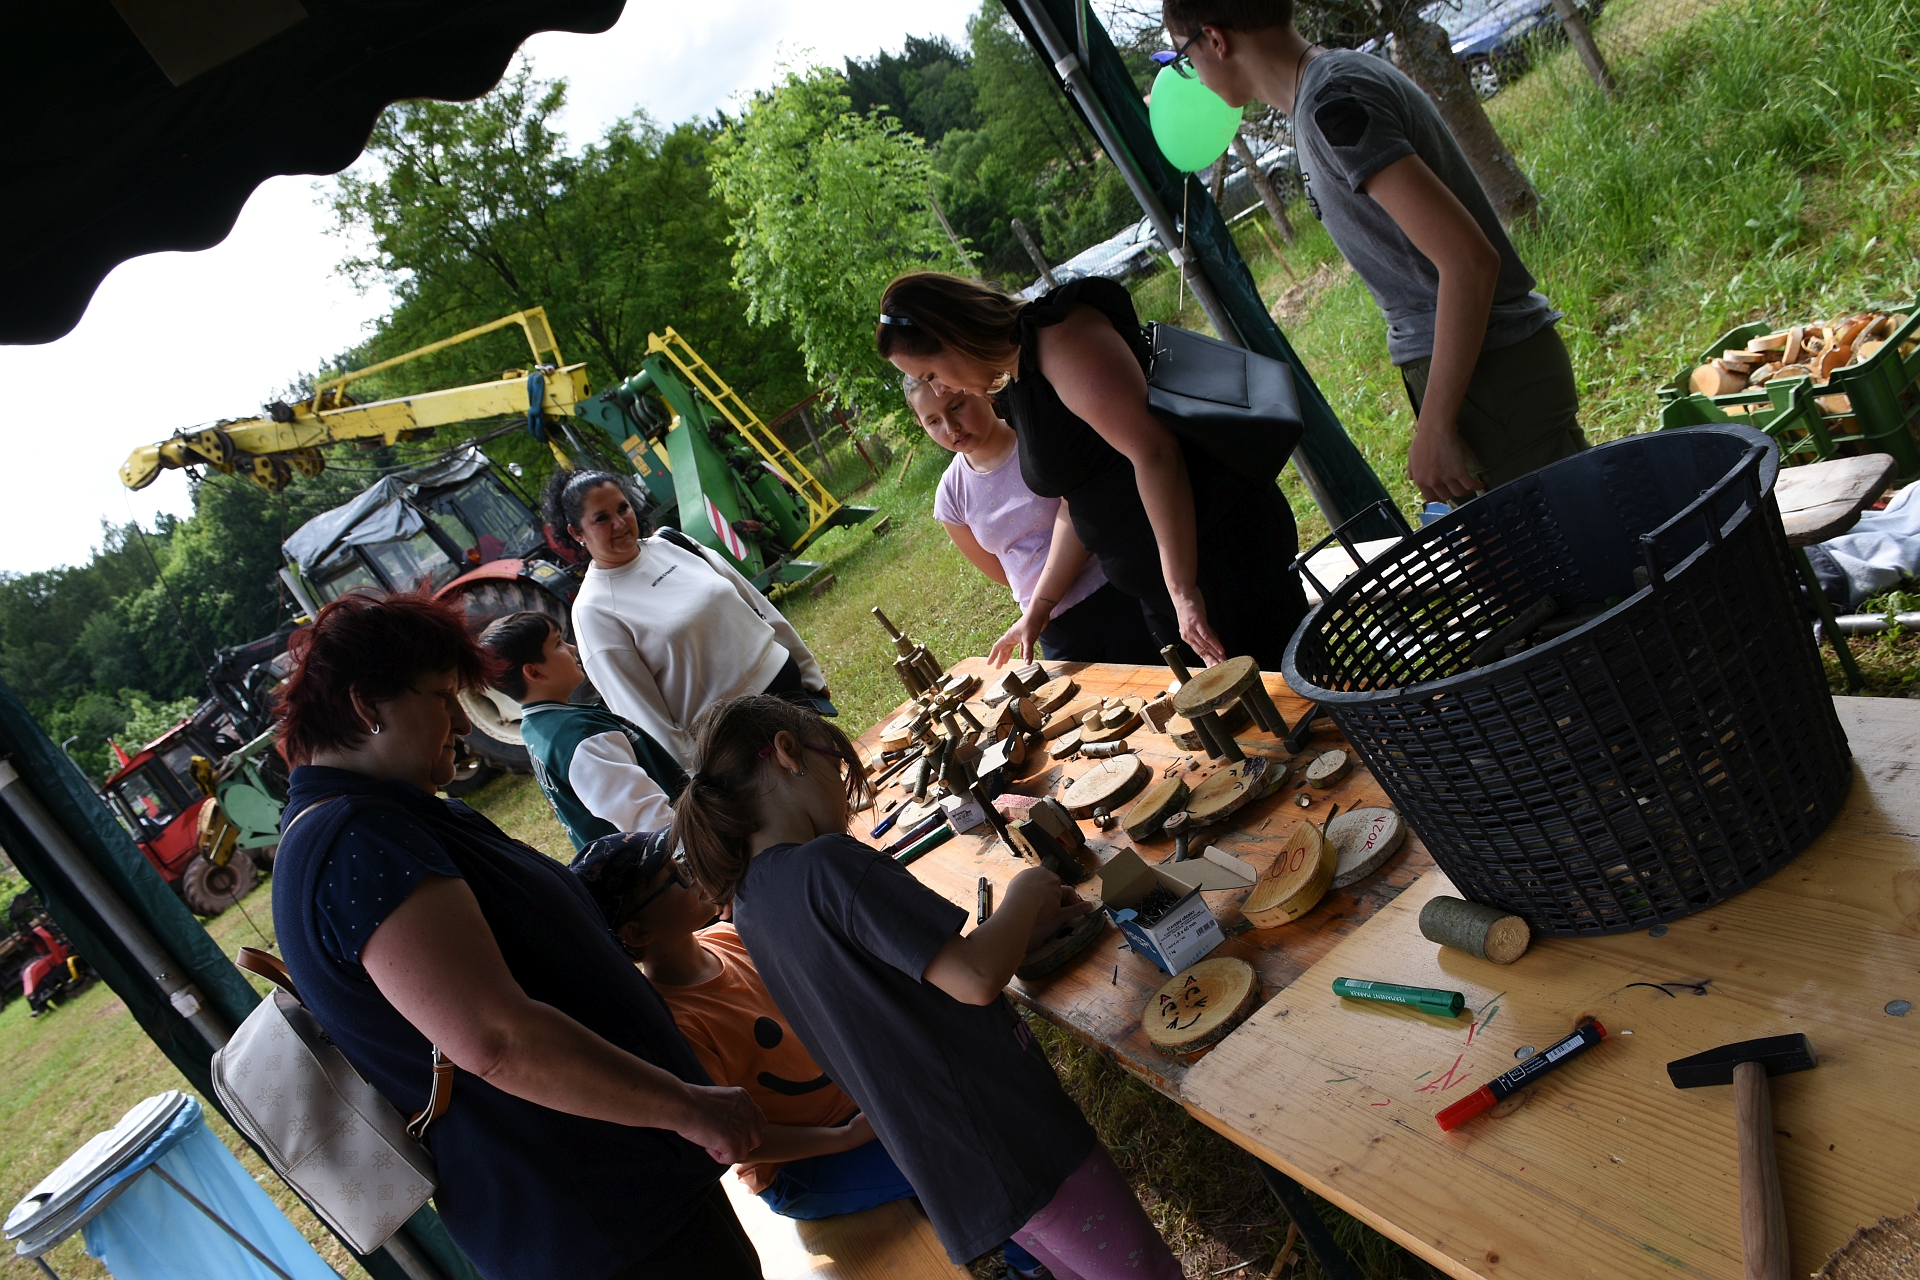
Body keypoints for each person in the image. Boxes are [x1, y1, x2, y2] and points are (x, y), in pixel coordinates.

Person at [270, 592, 766, 1280]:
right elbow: (497, 1040)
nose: (459, 724)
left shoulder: (390, 817)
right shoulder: (359, 842)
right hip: (598, 1228)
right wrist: (686, 1107)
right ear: (366, 706)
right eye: (442, 698)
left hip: (624, 1202)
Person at [672, 694, 1185, 1279]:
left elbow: (895, 982)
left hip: (950, 1160)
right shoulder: (828, 863)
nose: (844, 792)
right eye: (835, 766)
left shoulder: (750, 905)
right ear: (789, 753)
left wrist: (1014, 933)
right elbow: (975, 979)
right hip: (1009, 1131)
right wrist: (1025, 894)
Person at [571, 829, 1057, 1279]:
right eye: (674, 877)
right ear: (638, 934)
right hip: (804, 1166)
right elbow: (739, 1141)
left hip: (858, 1108)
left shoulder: (725, 936)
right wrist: (843, 1138)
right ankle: (1029, 1269)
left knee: (973, 1116)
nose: (691, 873)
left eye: (682, 861)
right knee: (957, 1158)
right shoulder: (679, 1024)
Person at [1162, 0, 1586, 505]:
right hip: (1476, 371)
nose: (1193, 75)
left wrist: (1435, 426)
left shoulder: (1331, 104)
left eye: (1184, 58)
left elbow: (1469, 261)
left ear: (1215, 40)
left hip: (1492, 379)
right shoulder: (1325, 91)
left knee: (1576, 548)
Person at [877, 272, 1308, 670]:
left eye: (930, 374)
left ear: (955, 335)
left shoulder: (1060, 338)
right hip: (1169, 587)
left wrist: (1182, 588)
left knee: (1296, 701)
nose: (938, 388)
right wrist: (1038, 610)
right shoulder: (1018, 377)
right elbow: (1080, 498)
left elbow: (1155, 452)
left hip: (1218, 563)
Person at [549, 468, 831, 767]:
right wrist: (698, 776)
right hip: (741, 740)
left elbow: (755, 604)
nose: (619, 523)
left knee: (835, 782)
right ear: (576, 533)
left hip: (794, 695)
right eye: (601, 518)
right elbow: (644, 715)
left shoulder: (672, 544)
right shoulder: (593, 610)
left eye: (623, 508)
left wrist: (808, 670)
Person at [907, 374, 1161, 665]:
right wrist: (1040, 608)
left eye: (956, 406)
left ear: (979, 390)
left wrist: (1044, 600)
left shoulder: (1037, 439)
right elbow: (1004, 572)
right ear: (921, 425)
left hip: (1112, 591)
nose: (951, 427)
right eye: (933, 421)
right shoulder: (950, 496)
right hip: (1051, 628)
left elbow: (1082, 515)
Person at [478, 611, 688, 852]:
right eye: (558, 643)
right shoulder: (581, 736)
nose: (572, 648)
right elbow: (648, 819)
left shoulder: (537, 727)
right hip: (680, 858)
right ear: (534, 672)